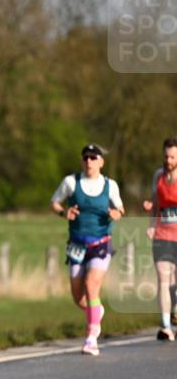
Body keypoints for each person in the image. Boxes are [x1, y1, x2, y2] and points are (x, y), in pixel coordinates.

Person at [50, 144, 125, 356]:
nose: (89, 161)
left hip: (101, 243)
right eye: (86, 158)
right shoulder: (71, 182)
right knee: (77, 294)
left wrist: (115, 213)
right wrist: (64, 212)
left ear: (101, 162)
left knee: (92, 285)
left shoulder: (110, 185)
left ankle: (91, 338)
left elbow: (121, 209)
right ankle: (96, 311)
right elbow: (54, 202)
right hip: (76, 244)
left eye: (93, 158)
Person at [142, 136, 177, 342]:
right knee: (163, 278)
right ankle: (165, 326)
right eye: (166, 156)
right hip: (162, 233)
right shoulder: (159, 176)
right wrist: (150, 224)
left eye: (173, 157)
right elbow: (155, 204)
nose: (169, 160)